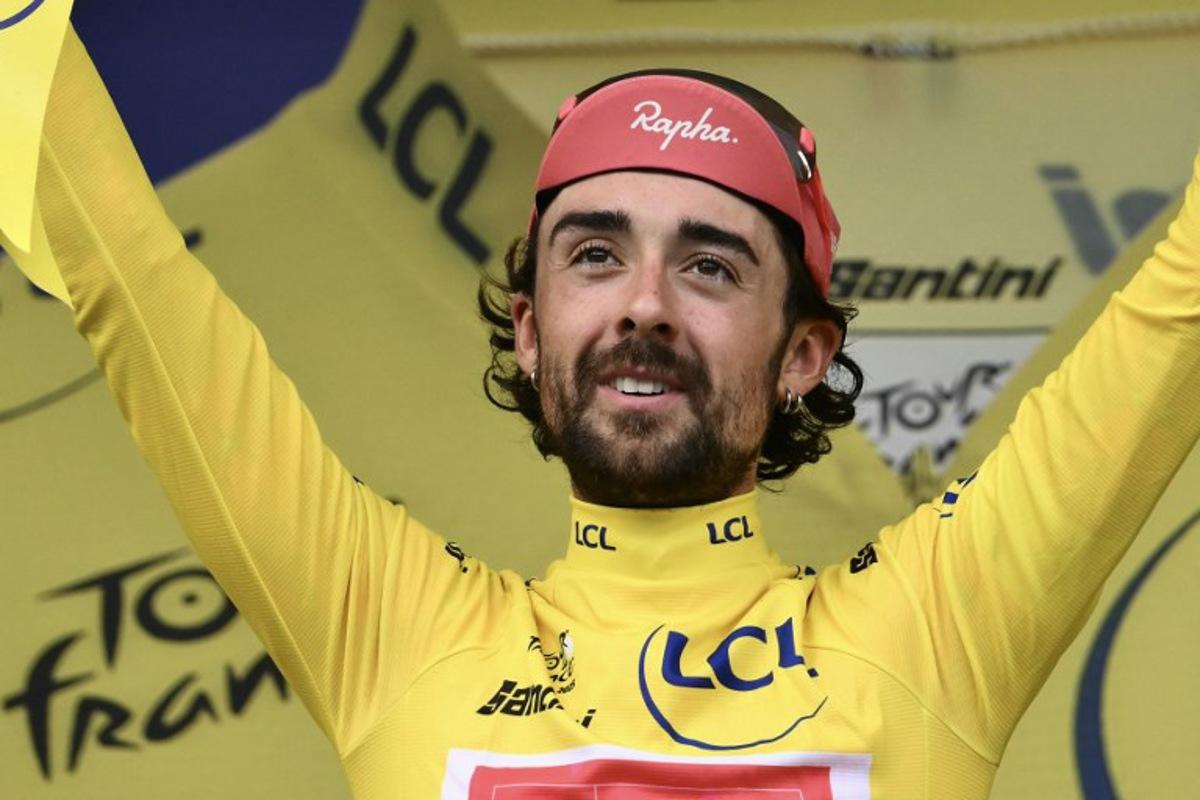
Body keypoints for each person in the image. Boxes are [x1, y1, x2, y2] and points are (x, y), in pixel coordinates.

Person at [16, 29, 1200, 800]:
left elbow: (1175, 316)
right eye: (594, 255)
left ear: (803, 354)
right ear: (530, 332)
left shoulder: (932, 627)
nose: (644, 305)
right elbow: (130, 276)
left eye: (711, 266)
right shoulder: (395, 627)